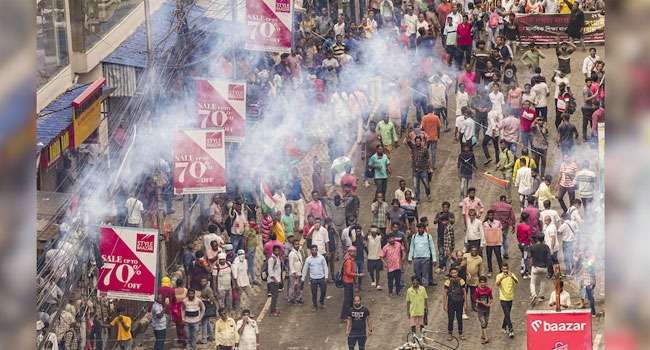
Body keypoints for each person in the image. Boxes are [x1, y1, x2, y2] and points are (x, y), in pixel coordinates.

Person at [302, 244, 328, 310]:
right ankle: (315, 305)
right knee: (314, 293)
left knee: (323, 291)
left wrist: (326, 276)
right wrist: (303, 279)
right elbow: (305, 269)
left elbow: (325, 267)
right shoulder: (308, 259)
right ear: (310, 251)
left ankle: (321, 302)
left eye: (315, 250)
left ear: (317, 250)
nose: (314, 251)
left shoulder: (321, 258)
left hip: (321, 278)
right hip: (313, 279)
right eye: (312, 250)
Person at [443, 267, 466, 341]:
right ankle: (450, 334)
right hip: (451, 302)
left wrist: (465, 303)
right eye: (452, 273)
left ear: (457, 273)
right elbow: (445, 293)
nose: (454, 274)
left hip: (459, 302)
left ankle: (461, 333)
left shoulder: (461, 281)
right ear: (450, 274)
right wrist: (445, 304)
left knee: (459, 318)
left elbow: (464, 292)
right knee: (451, 319)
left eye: (455, 272)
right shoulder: (447, 282)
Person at [406, 135, 432, 201]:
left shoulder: (425, 149)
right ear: (415, 142)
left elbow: (428, 159)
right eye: (416, 141)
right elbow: (408, 141)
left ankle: (428, 195)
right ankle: (417, 198)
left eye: (419, 141)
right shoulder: (413, 147)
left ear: (421, 141)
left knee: (426, 184)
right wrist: (408, 132)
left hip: (423, 170)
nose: (418, 142)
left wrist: (429, 168)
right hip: (415, 170)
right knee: (416, 186)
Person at [341, 246, 363, 321]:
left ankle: (348, 315)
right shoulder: (349, 261)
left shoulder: (349, 259)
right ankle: (344, 316)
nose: (355, 253)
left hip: (348, 281)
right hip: (348, 282)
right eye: (353, 252)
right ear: (350, 252)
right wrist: (358, 275)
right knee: (347, 299)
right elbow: (348, 272)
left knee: (349, 299)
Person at [491, 195, 515, 260]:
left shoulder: (495, 206)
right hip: (506, 225)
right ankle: (506, 253)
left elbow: (490, 214)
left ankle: (501, 255)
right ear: (505, 200)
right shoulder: (509, 206)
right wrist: (513, 225)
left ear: (500, 199)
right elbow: (512, 216)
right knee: (505, 238)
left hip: (497, 226)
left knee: (499, 240)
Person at [529, 235, 551, 305]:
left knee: (532, 282)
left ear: (537, 239)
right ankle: (541, 296)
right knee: (543, 281)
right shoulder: (546, 247)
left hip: (535, 267)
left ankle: (533, 294)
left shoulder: (533, 246)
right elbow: (549, 258)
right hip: (544, 267)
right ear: (543, 239)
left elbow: (530, 256)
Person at [483, 210, 503, 277]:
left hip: (497, 243)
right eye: (489, 215)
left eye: (492, 215)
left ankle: (501, 270)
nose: (491, 216)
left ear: (494, 215)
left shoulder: (498, 222)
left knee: (499, 257)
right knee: (489, 257)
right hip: (488, 243)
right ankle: (490, 270)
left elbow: (500, 230)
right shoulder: (485, 224)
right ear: (488, 216)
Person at [474, 276, 494, 344]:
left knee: (486, 322)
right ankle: (486, 338)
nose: (483, 284)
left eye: (484, 282)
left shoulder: (489, 289)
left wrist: (489, 303)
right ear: (479, 283)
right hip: (480, 309)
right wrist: (481, 302)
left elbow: (491, 298)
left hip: (487, 308)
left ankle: (482, 334)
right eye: (481, 282)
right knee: (483, 322)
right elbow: (475, 299)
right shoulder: (477, 290)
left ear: (486, 282)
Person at [463, 246, 483, 312]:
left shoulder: (479, 259)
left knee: (473, 293)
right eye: (472, 250)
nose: (473, 252)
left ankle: (474, 306)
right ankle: (463, 306)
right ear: (470, 251)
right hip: (465, 278)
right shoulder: (466, 256)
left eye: (475, 250)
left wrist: (481, 278)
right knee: (464, 293)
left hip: (474, 279)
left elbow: (480, 269)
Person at [198, 277, 217, 345]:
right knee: (207, 322)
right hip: (205, 307)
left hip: (207, 308)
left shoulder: (207, 289)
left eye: (204, 281)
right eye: (201, 281)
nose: (202, 283)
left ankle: (204, 339)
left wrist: (202, 299)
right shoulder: (204, 289)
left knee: (204, 323)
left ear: (206, 282)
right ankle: (211, 336)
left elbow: (211, 299)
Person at [267, 246, 283, 317]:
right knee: (274, 296)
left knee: (276, 296)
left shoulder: (277, 258)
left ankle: (274, 309)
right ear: (273, 251)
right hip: (273, 281)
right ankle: (272, 311)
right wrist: (275, 279)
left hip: (276, 280)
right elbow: (270, 271)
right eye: (276, 251)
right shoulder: (271, 259)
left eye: (278, 251)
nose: (277, 252)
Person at [288, 239, 304, 304]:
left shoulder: (299, 252)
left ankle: (298, 298)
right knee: (293, 286)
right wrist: (294, 273)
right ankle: (291, 298)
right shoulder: (292, 254)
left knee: (298, 286)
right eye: (296, 244)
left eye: (298, 244)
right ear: (293, 245)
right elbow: (291, 264)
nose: (297, 245)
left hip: (299, 272)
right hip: (294, 274)